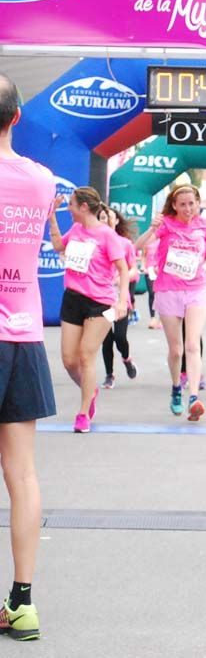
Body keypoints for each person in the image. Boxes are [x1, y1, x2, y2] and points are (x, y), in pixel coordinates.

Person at [0, 72, 56, 641]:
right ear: (17, 117)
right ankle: (22, 601)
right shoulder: (42, 180)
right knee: (22, 473)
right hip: (22, 336)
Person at [135, 184, 206, 420]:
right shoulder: (165, 224)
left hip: (196, 289)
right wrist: (151, 228)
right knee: (176, 350)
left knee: (192, 345)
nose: (187, 208)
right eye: (182, 204)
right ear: (174, 205)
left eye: (191, 204)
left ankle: (194, 397)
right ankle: (176, 388)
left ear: (197, 204)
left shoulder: (203, 225)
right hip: (168, 290)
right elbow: (138, 246)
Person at [46, 187, 129, 434]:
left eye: (71, 204)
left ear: (83, 207)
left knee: (86, 355)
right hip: (73, 298)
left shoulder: (107, 235)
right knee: (69, 361)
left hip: (101, 303)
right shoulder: (76, 229)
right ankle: (89, 390)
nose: (69, 209)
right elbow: (59, 246)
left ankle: (83, 414)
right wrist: (51, 218)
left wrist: (122, 301)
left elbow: (123, 269)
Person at [98, 204, 139, 389]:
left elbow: (133, 270)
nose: (106, 220)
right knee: (106, 338)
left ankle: (127, 358)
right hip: (101, 298)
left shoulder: (125, 244)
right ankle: (109, 374)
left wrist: (121, 277)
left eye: (109, 217)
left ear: (116, 221)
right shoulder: (94, 243)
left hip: (120, 298)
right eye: (102, 217)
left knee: (120, 337)